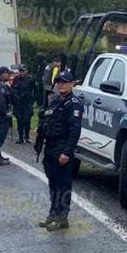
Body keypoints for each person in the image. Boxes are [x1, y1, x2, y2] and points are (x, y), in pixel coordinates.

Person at [33, 70, 84, 231]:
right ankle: (53, 215)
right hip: (50, 148)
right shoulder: (55, 101)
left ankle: (62, 218)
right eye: (58, 82)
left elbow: (75, 130)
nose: (60, 84)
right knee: (53, 185)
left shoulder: (73, 104)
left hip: (62, 148)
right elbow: (45, 123)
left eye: (64, 82)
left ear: (71, 84)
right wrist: (39, 142)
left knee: (63, 185)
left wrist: (67, 153)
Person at [10, 64, 40, 144]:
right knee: (19, 120)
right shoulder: (16, 79)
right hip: (18, 103)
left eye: (23, 70)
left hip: (27, 103)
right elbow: (12, 89)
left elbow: (36, 91)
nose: (21, 72)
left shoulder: (31, 79)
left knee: (27, 120)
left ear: (27, 71)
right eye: (20, 71)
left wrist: (33, 102)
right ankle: (20, 138)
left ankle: (27, 137)